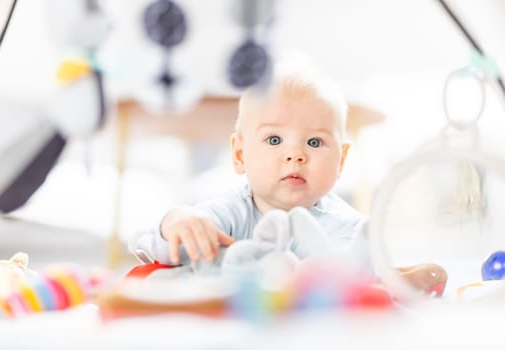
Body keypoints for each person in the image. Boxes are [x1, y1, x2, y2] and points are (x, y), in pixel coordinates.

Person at [142, 62, 365, 266]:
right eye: (274, 140)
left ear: (341, 160)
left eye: (314, 142)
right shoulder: (230, 213)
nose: (296, 155)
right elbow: (171, 252)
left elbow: (349, 279)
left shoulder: (348, 230)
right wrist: (177, 221)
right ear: (240, 155)